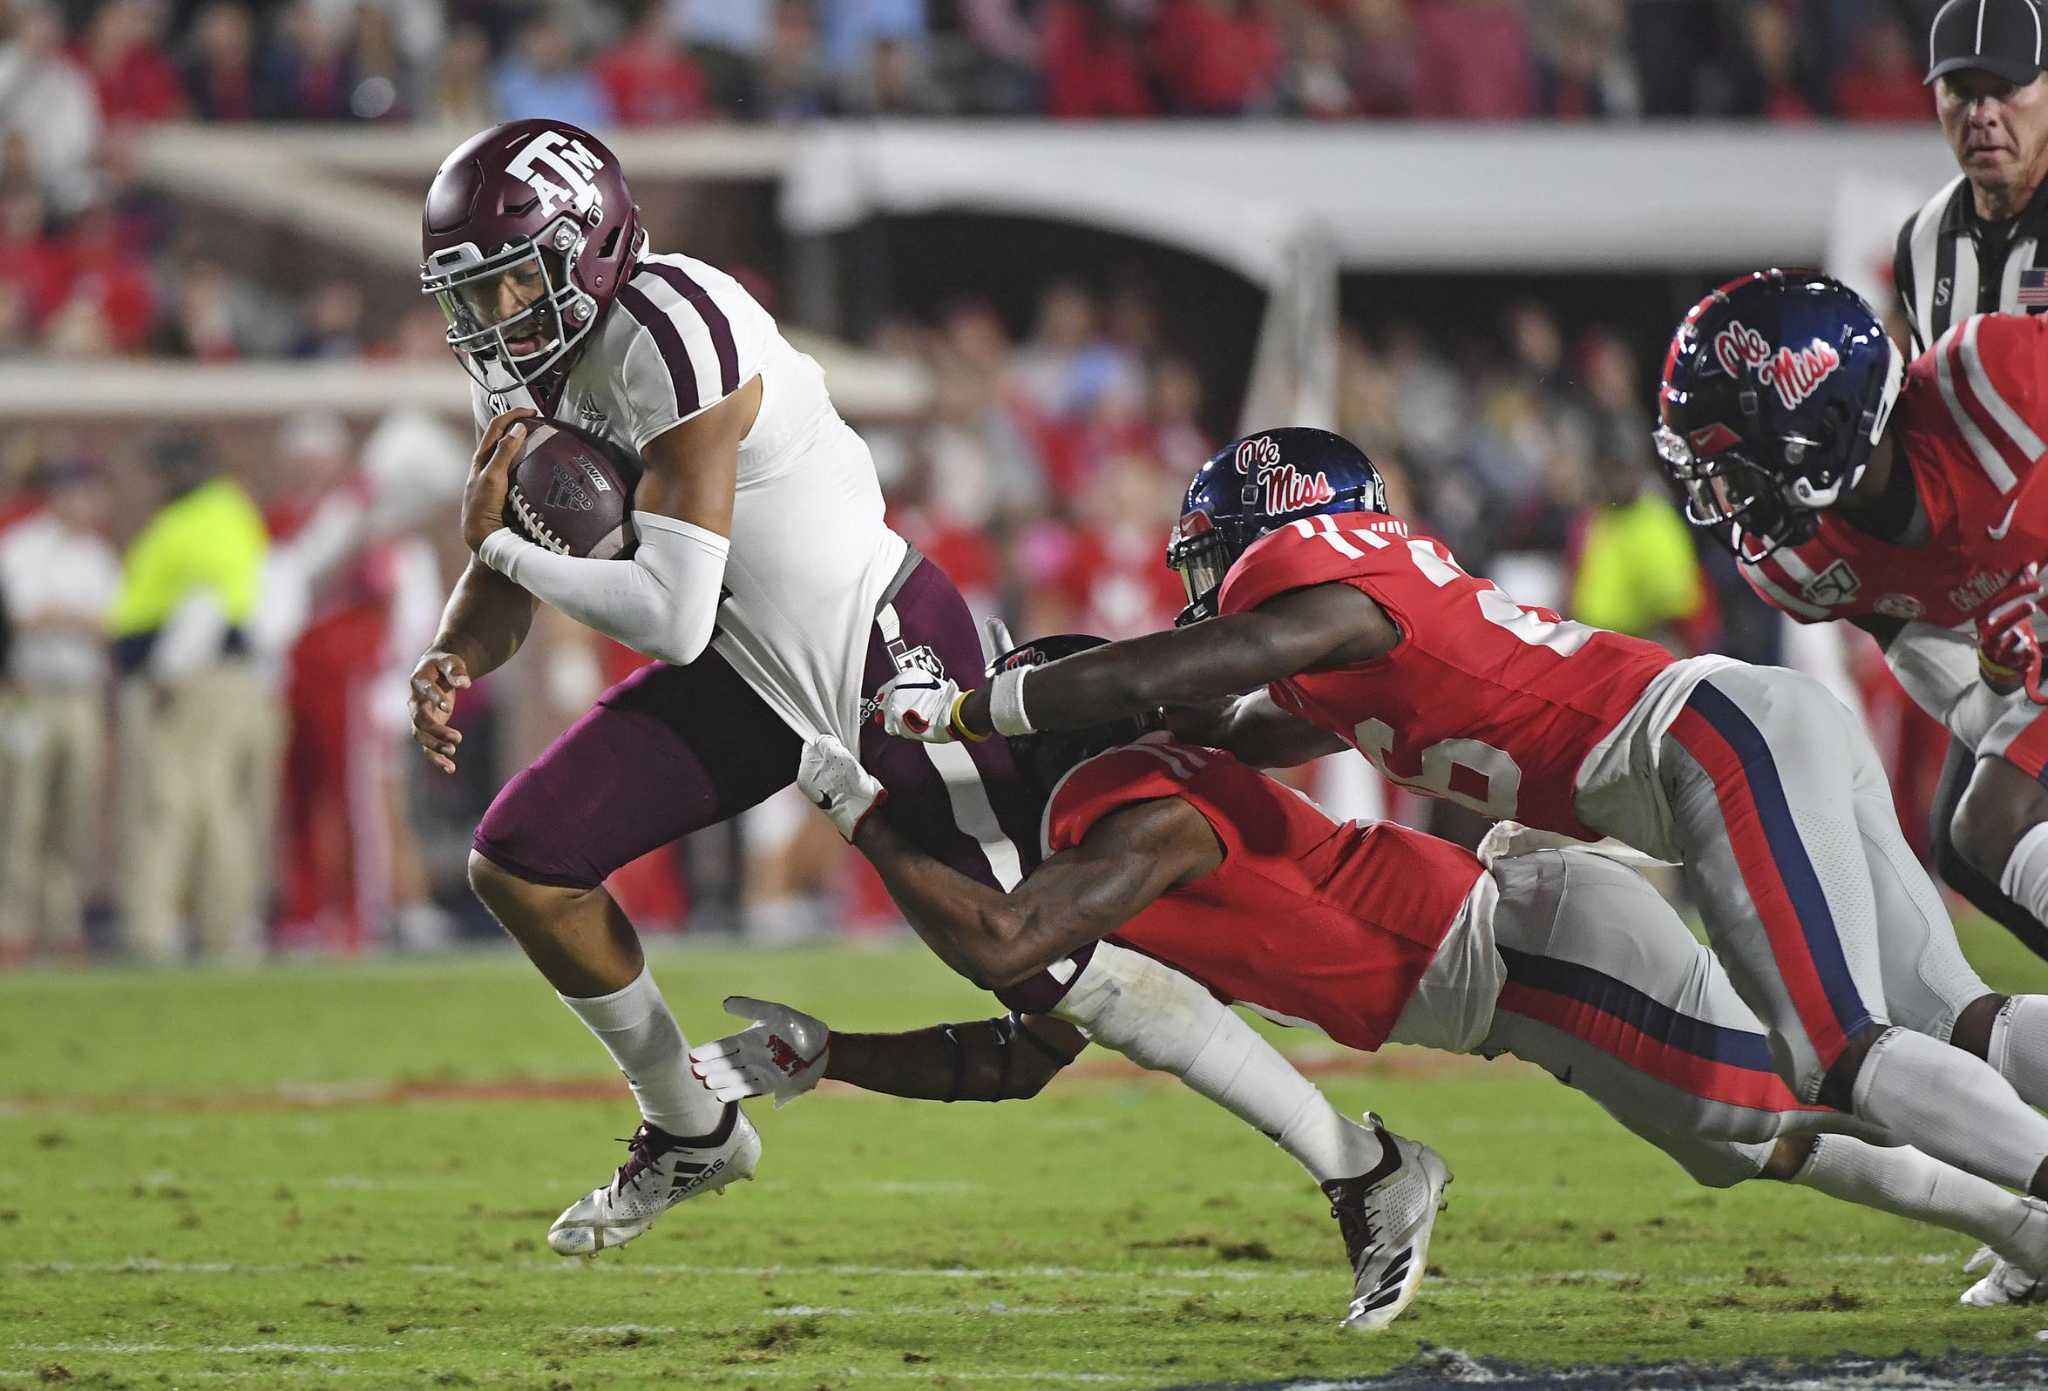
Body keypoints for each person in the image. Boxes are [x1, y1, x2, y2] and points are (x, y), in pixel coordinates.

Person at [408, 119, 1387, 1259]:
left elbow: (660, 610)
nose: (494, 317)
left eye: (513, 279)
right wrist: (455, 650)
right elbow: (520, 554)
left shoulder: (676, 330)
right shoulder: (521, 368)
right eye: (471, 293)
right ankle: (689, 1125)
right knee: (523, 858)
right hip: (749, 673)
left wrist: (497, 543)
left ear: (591, 244)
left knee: (1037, 968)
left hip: (879, 656)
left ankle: (1354, 1158)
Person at [877, 426, 2048, 1217]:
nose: (1205, 580)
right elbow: (1220, 712)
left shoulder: (1323, 586)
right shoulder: (1343, 641)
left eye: (1214, 552)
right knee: (1944, 1018)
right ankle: (2020, 1231)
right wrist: (1116, 713)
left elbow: (1188, 664)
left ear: (1274, 530)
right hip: (1737, 730)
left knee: (1831, 1051)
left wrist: (976, 707)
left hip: (1708, 747)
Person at [696, 644, 2048, 1326]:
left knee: (1812, 1084)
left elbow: (1003, 944)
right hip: (1522, 965)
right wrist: (837, 1054)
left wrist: (865, 814)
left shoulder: (1137, 807)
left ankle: (2032, 1186)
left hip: (1535, 952)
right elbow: (1020, 1046)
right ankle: (2022, 1222)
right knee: (1744, 1139)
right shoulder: (1115, 847)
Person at [1892, 0, 2048, 949]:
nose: (1984, 113)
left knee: (1985, 825)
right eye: (1963, 91)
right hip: (2003, 591)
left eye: (2007, 89)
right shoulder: (1922, 242)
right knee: (1965, 845)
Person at [0, 459, 120, 960]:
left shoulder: (98, 557)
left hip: (80, 695)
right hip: (30, 693)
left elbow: (113, 625)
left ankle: (63, 924)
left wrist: (63, 617)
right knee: (21, 814)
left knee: (74, 817)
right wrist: (74, 619)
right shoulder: (21, 547)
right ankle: (12, 926)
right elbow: (21, 618)